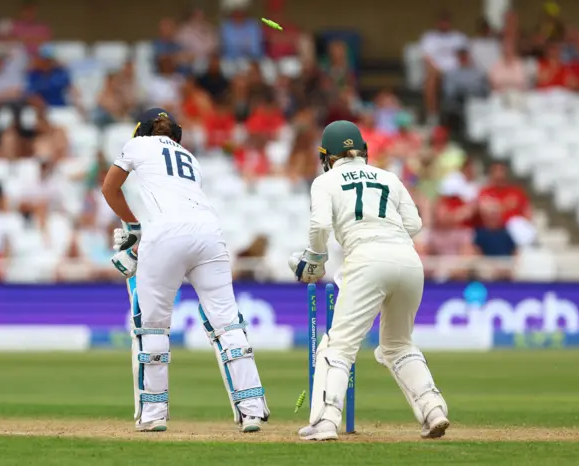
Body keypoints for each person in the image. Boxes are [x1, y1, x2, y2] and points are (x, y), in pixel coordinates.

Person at [101, 109, 270, 433]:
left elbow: (110, 189)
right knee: (227, 324)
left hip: (165, 234)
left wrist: (134, 228)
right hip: (209, 233)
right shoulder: (191, 159)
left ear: (142, 131)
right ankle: (251, 410)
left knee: (152, 328)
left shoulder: (138, 145)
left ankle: (153, 416)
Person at [289, 120, 448, 441]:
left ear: (328, 155)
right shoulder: (389, 177)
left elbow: (320, 226)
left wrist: (315, 261)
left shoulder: (325, 181)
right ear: (363, 151)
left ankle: (325, 421)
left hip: (366, 260)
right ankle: (433, 409)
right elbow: (414, 224)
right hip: (408, 260)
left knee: (338, 345)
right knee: (397, 344)